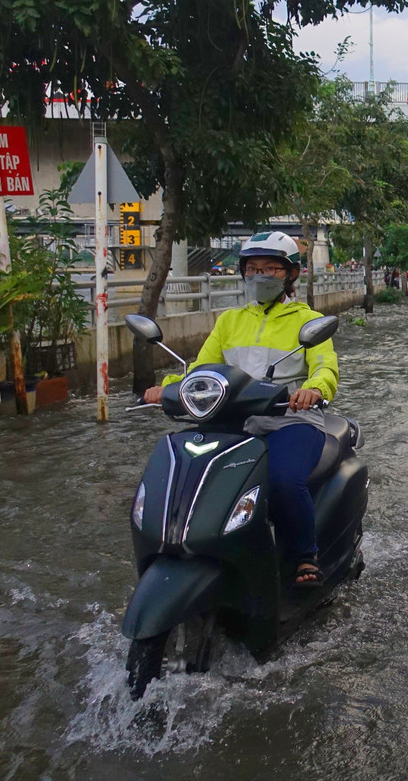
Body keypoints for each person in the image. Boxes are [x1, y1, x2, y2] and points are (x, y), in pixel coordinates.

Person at [143, 231, 338, 588]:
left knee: (282, 479)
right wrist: (167, 388)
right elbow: (201, 370)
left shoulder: (307, 320)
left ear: (290, 274)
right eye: (253, 268)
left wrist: (313, 389)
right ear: (243, 273)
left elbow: (326, 365)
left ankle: (303, 555)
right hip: (235, 421)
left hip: (290, 420)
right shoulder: (229, 321)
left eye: (271, 269)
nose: (260, 276)